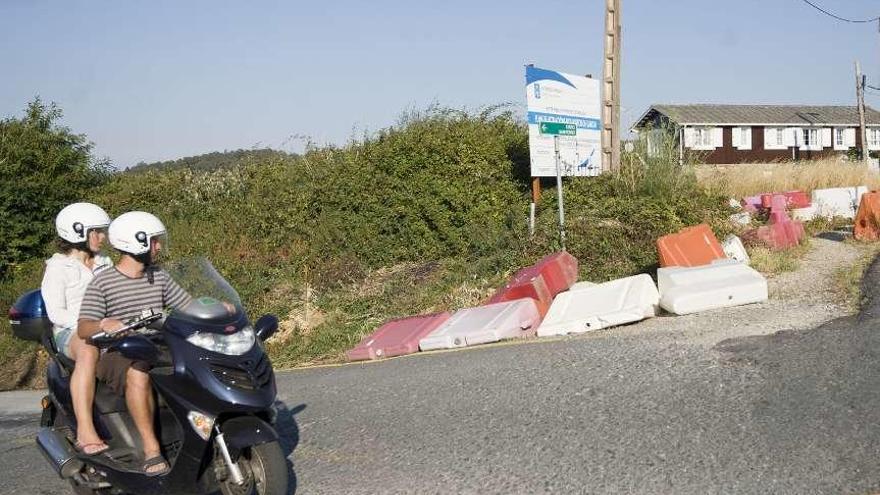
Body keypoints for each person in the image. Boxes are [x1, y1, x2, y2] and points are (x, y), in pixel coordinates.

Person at [77, 211, 191, 476]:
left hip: (156, 343)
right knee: (139, 371)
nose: (159, 246)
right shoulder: (104, 281)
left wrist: (216, 308)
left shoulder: (158, 275)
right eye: (154, 241)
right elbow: (84, 328)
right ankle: (152, 450)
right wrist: (103, 324)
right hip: (119, 351)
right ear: (134, 242)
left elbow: (187, 305)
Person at [41, 202, 112, 456]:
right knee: (88, 351)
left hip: (109, 328)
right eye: (97, 231)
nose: (103, 237)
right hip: (71, 332)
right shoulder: (58, 267)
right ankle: (85, 430)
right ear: (77, 232)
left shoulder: (105, 261)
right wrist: (92, 322)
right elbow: (56, 313)